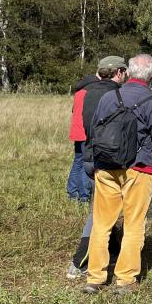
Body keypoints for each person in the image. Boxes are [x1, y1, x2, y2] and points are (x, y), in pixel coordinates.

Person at [83, 54, 152, 295]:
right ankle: (125, 279)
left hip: (106, 165)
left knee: (101, 224)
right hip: (138, 168)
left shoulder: (109, 96)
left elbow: (94, 128)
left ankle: (95, 277)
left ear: (128, 72)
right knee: (133, 225)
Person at [66, 56, 128, 279]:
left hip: (92, 155)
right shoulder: (113, 94)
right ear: (118, 73)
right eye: (124, 72)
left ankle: (113, 250)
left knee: (105, 207)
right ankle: (80, 261)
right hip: (107, 158)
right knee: (100, 212)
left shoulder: (89, 92)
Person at [67, 68, 99, 203]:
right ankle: (84, 195)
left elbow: (74, 110)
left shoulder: (79, 92)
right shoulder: (90, 93)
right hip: (85, 132)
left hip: (76, 131)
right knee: (85, 163)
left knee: (77, 161)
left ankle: (72, 192)